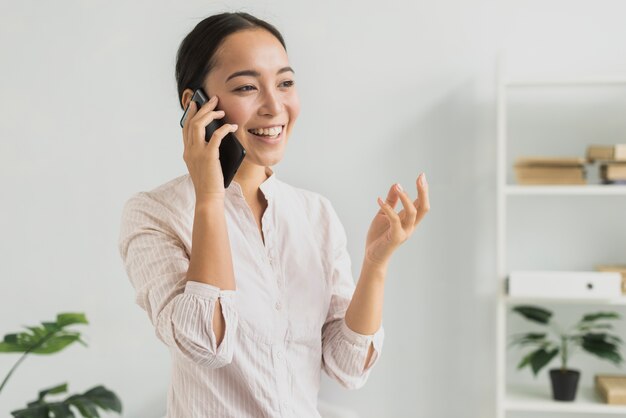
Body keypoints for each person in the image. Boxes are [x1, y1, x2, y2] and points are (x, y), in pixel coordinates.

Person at [118, 11, 429, 418]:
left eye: (285, 83)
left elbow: (347, 367)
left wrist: (376, 263)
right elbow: (205, 344)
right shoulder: (155, 213)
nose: (274, 105)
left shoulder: (314, 213)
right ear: (194, 105)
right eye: (247, 87)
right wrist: (210, 197)